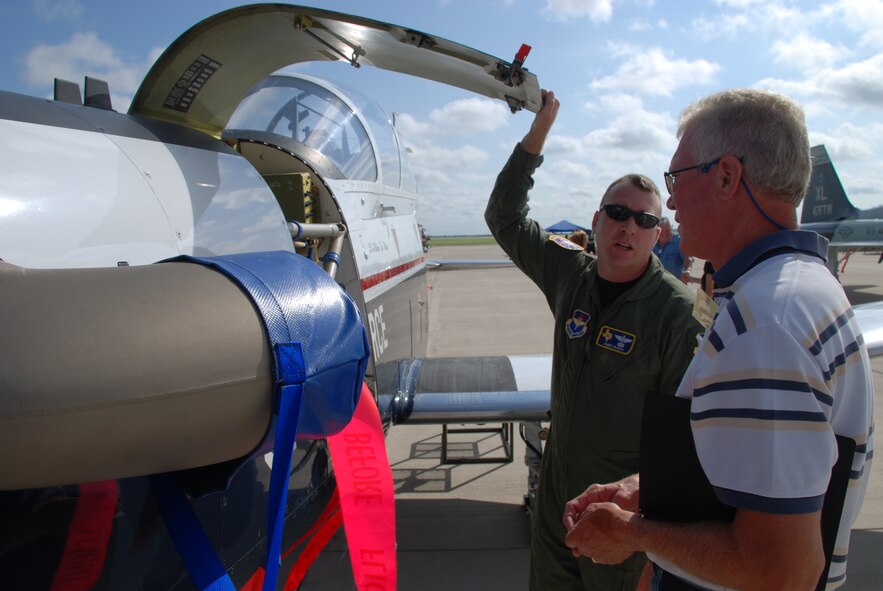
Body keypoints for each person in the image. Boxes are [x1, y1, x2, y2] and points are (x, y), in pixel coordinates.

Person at [563, 88, 874, 590]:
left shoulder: (768, 324)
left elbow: (782, 571)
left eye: (677, 177)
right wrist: (641, 491)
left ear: (727, 176)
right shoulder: (797, 291)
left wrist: (633, 534)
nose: (671, 201)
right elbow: (766, 476)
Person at [485, 90, 703, 591]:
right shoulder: (569, 274)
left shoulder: (677, 314)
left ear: (658, 236)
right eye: (618, 214)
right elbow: (505, 217)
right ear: (597, 221)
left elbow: (686, 444)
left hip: (622, 515)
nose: (629, 227)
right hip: (556, 502)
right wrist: (537, 135)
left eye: (645, 220)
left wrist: (653, 547)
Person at [652, 217, 693, 283]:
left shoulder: (679, 241)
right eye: (662, 232)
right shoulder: (651, 243)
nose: (665, 235)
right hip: (655, 283)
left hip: (676, 284)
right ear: (657, 231)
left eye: (668, 231)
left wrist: (687, 270)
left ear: (671, 228)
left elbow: (688, 259)